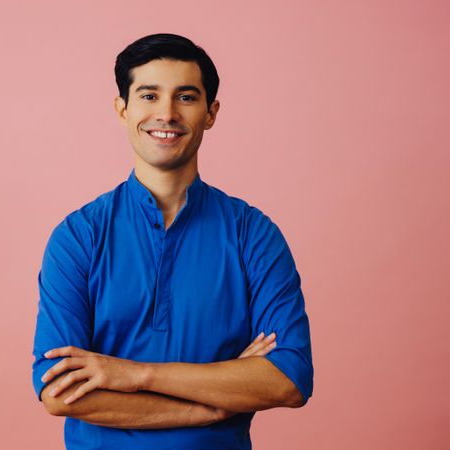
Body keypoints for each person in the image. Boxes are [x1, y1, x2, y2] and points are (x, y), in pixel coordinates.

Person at [31, 33, 313, 449]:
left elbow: (289, 378)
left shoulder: (253, 234)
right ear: (122, 109)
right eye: (148, 96)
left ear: (210, 112)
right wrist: (212, 407)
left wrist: (135, 374)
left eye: (185, 97)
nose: (166, 113)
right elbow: (59, 392)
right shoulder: (78, 236)